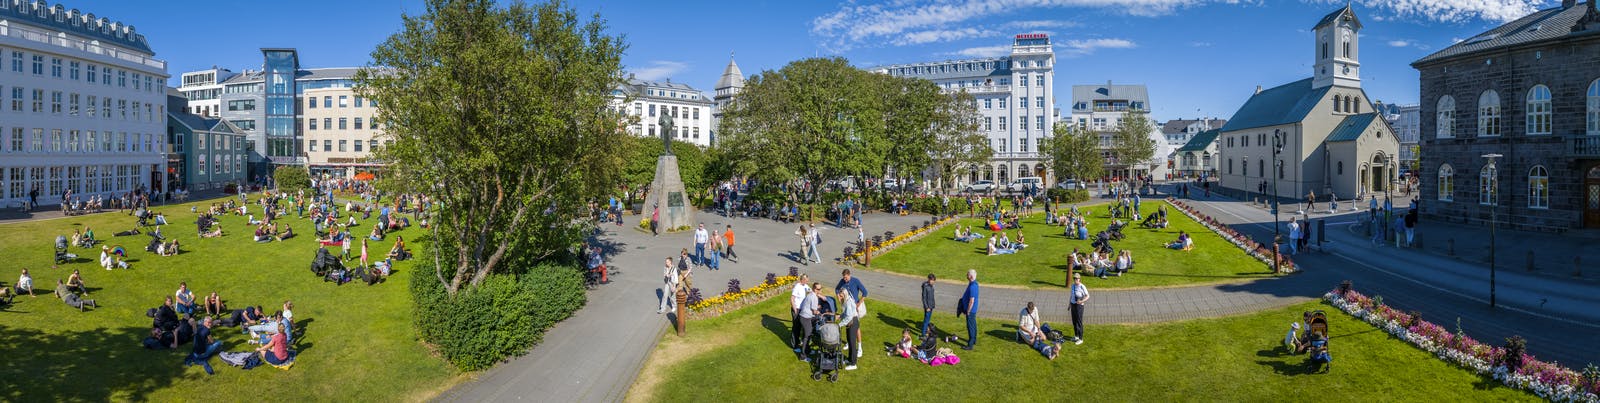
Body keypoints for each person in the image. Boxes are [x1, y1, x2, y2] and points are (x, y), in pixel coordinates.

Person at [836, 269, 867, 359]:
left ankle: (860, 347)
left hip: (855, 307)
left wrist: (859, 303)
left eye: (846, 278)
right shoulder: (842, 281)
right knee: (848, 324)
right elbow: (837, 289)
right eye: (844, 278)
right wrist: (839, 299)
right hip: (847, 305)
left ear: (849, 275)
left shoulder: (855, 281)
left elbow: (865, 292)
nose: (845, 280)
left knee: (856, 327)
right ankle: (850, 343)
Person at [796, 283, 821, 361]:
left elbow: (810, 306)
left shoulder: (810, 294)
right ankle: (802, 356)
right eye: (818, 289)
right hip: (805, 318)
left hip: (803, 317)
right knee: (807, 336)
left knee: (806, 335)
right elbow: (814, 312)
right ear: (814, 289)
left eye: (820, 289)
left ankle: (808, 350)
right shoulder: (814, 297)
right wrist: (819, 313)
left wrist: (816, 308)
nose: (819, 290)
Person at [956, 269, 980, 350]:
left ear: (971, 276)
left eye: (967, 274)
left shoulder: (973, 286)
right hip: (972, 310)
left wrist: (968, 311)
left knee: (970, 326)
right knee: (973, 325)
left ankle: (970, 345)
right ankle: (974, 340)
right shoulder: (973, 284)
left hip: (970, 310)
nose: (966, 275)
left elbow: (971, 301)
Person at [836, 288, 859, 371]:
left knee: (852, 343)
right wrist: (840, 316)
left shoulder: (848, 302)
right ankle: (849, 359)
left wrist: (840, 324)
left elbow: (849, 316)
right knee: (849, 342)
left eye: (841, 295)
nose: (840, 296)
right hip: (850, 322)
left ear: (845, 294)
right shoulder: (846, 300)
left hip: (853, 322)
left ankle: (853, 363)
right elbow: (846, 313)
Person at [789, 274, 811, 353]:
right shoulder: (797, 287)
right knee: (796, 327)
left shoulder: (805, 286)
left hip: (803, 310)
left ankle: (800, 341)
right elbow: (792, 299)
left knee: (802, 326)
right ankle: (794, 345)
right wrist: (795, 310)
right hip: (797, 309)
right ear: (802, 279)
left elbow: (811, 291)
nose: (807, 281)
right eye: (806, 280)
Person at [1069, 273, 1090, 345]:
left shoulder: (1082, 287)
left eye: (1077, 279)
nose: (1075, 280)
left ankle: (1081, 339)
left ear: (1079, 279)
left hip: (1079, 306)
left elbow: (1087, 296)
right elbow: (1071, 296)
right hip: (1073, 305)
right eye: (1074, 278)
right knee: (1074, 321)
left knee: (1079, 322)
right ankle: (1076, 336)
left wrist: (1081, 301)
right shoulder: (1072, 286)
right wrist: (1069, 304)